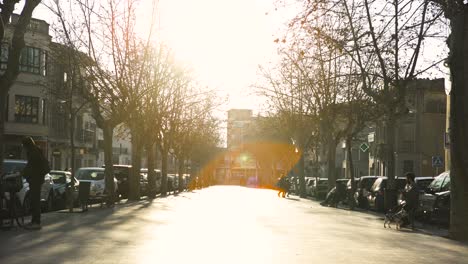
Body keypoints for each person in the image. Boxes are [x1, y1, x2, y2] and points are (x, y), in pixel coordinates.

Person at [22, 137, 50, 230]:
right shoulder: (36, 151)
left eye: (24, 145)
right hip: (37, 179)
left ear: (27, 145)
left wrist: (22, 173)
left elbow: (31, 166)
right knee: (35, 200)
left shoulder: (33, 153)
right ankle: (35, 221)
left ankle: (36, 222)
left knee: (35, 201)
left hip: (35, 179)